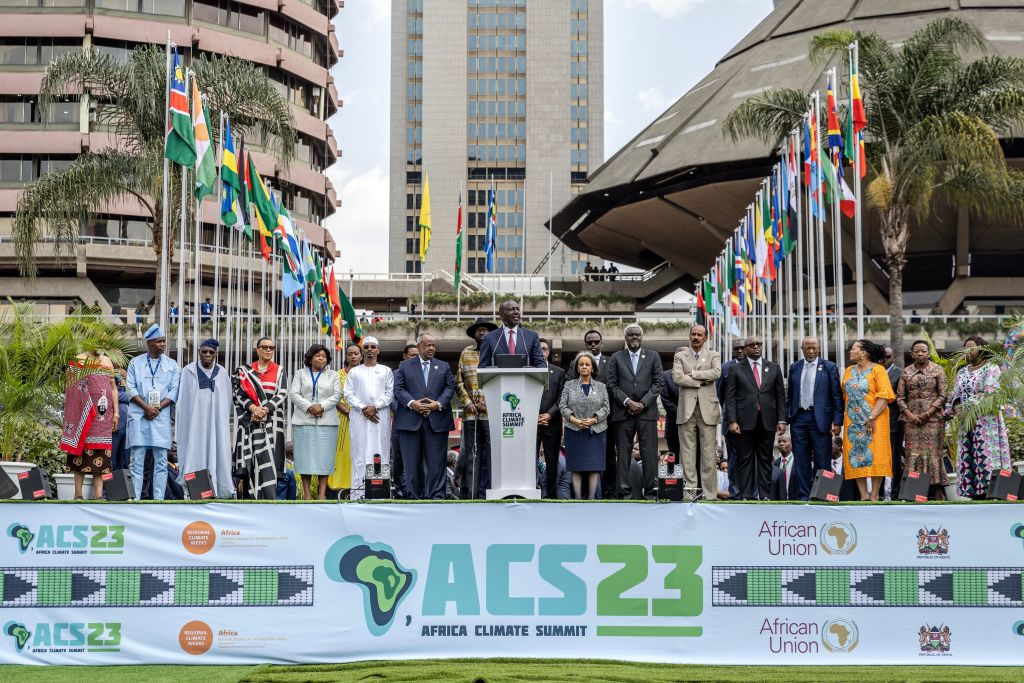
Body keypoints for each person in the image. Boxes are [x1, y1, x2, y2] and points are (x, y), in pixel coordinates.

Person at [945, 336, 1011, 499]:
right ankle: (974, 493)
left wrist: (966, 409)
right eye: (965, 348)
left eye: (971, 348)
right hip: (965, 423)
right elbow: (955, 394)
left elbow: (989, 393)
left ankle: (992, 492)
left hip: (986, 423)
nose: (967, 352)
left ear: (981, 349)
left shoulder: (991, 368)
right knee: (969, 456)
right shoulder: (962, 371)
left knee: (987, 456)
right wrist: (956, 408)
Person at [394, 333, 456, 499]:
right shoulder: (405, 366)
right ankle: (413, 496)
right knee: (411, 463)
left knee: (437, 462)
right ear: (419, 346)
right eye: (428, 345)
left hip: (437, 421)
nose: (431, 348)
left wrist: (438, 404)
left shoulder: (443, 366)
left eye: (433, 345)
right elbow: (398, 389)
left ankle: (437, 495)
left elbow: (450, 388)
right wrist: (412, 403)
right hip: (409, 421)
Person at [724, 336, 786, 500]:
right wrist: (732, 421)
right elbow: (729, 397)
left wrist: (781, 420)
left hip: (767, 421)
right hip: (744, 422)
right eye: (752, 345)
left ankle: (765, 495)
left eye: (759, 344)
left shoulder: (773, 368)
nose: (756, 347)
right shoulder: (736, 369)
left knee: (766, 460)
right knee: (745, 459)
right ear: (745, 349)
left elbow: (780, 396)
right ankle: (745, 494)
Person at [606, 324, 664, 499]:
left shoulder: (653, 356)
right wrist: (628, 402)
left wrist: (643, 404)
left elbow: (658, 384)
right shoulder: (616, 358)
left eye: (637, 335)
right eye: (631, 335)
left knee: (649, 454)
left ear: (641, 337)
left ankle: (651, 493)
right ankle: (623, 493)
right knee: (623, 455)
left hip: (647, 414)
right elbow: (611, 384)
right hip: (623, 414)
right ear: (626, 338)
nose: (634, 337)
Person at [125, 324, 179, 500]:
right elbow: (130, 388)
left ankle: (158, 501)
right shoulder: (135, 362)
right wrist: (146, 407)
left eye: (164, 341)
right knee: (137, 462)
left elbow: (174, 391)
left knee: (161, 463)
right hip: (140, 415)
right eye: (159, 341)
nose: (163, 344)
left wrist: (157, 407)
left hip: (160, 417)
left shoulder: (172, 365)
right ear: (149, 343)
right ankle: (135, 500)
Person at [786, 336, 843, 501]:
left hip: (821, 419)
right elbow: (790, 395)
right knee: (801, 460)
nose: (811, 351)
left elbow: (836, 396)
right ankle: (804, 495)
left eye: (814, 348)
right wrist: (786, 417)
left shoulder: (829, 367)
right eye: (807, 348)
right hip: (799, 418)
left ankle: (823, 494)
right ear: (802, 349)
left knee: (822, 458)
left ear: (819, 349)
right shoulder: (794, 368)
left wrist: (837, 421)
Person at [176, 338, 233, 498]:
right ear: (199, 352)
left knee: (218, 451)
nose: (207, 355)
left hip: (216, 425)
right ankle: (196, 491)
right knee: (194, 452)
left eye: (211, 352)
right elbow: (182, 401)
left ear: (216, 354)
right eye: (204, 352)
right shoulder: (188, 371)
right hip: (194, 425)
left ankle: (218, 490)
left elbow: (227, 401)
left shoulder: (222, 373)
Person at [232, 337, 288, 499]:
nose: (268, 350)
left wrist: (264, 410)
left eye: (271, 348)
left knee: (268, 461)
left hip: (271, 423)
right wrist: (253, 409)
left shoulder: (279, 370)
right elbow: (238, 394)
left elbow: (282, 393)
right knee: (250, 463)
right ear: (257, 350)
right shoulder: (245, 371)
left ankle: (269, 500)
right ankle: (249, 500)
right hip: (250, 422)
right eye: (264, 347)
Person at [841, 339, 895, 501]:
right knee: (856, 453)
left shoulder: (878, 370)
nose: (851, 351)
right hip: (853, 420)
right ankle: (864, 495)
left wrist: (871, 417)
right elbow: (845, 395)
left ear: (863, 352)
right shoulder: (849, 370)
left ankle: (875, 495)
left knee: (876, 454)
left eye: (854, 349)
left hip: (875, 419)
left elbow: (884, 396)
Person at [672, 324, 721, 498]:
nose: (696, 337)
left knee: (708, 457)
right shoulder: (680, 356)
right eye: (693, 334)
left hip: (708, 410)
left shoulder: (714, 355)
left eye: (700, 335)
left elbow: (716, 373)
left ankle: (710, 496)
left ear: (706, 337)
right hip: (686, 411)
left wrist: (692, 374)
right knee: (687, 456)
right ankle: (688, 495)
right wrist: (701, 380)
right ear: (689, 336)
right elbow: (677, 377)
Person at [896, 340, 949, 499]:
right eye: (917, 351)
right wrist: (910, 415)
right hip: (911, 422)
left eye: (923, 351)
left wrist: (928, 413)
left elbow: (943, 395)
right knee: (913, 454)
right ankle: (915, 491)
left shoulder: (938, 370)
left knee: (933, 453)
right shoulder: (906, 372)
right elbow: (899, 398)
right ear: (911, 353)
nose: (920, 354)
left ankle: (937, 490)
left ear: (928, 353)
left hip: (933, 420)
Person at [288, 344, 342, 500]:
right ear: (310, 358)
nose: (321, 358)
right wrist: (310, 407)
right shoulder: (300, 373)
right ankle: (306, 495)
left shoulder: (333, 375)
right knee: (305, 459)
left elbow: (337, 394)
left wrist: (322, 406)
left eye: (324, 356)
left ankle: (321, 495)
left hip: (327, 423)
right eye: (318, 355)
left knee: (324, 459)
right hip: (303, 421)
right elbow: (294, 394)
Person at [61, 352, 118, 499]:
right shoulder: (79, 359)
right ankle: (78, 495)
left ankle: (98, 496)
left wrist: (116, 413)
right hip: (83, 414)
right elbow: (72, 388)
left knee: (101, 457)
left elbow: (113, 388)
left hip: (103, 417)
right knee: (80, 453)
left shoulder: (107, 360)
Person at [344, 336, 395, 499]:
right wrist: (364, 408)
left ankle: (380, 493)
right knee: (359, 453)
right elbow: (348, 394)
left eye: (373, 346)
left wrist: (375, 407)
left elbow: (389, 394)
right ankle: (358, 494)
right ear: (363, 350)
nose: (370, 349)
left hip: (380, 418)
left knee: (380, 452)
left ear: (378, 350)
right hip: (359, 418)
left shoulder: (386, 370)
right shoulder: (354, 371)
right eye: (366, 347)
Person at [569, 329, 616, 496]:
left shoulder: (611, 362)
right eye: (590, 342)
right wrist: (577, 419)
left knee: (606, 458)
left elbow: (613, 388)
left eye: (596, 342)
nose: (593, 345)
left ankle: (608, 493)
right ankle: (581, 496)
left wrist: (597, 417)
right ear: (585, 344)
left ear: (601, 343)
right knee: (581, 462)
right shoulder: (574, 364)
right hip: (578, 424)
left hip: (605, 420)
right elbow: (568, 393)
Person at [559, 351, 610, 499]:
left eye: (587, 364)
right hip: (574, 430)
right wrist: (575, 420)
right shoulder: (569, 385)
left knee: (594, 467)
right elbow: (563, 406)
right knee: (576, 467)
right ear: (577, 368)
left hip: (596, 431)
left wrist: (593, 419)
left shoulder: (601, 386)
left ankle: (592, 498)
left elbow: (606, 408)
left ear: (593, 368)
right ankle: (578, 499)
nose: (584, 367)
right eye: (581, 364)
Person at [456, 318, 496, 498]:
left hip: (492, 414)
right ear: (473, 334)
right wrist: (468, 402)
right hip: (471, 414)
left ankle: (487, 494)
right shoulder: (466, 353)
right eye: (478, 330)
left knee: (491, 454)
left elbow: (500, 381)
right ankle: (472, 494)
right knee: (472, 454)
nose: (481, 333)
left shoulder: (497, 353)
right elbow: (458, 381)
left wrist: (489, 399)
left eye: (485, 330)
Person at [327, 344, 362, 497]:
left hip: (364, 419)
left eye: (356, 353)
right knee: (342, 455)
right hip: (342, 420)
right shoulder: (337, 375)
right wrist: (350, 413)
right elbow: (335, 398)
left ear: (361, 355)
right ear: (346, 357)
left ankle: (360, 488)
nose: (353, 356)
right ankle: (339, 490)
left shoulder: (367, 373)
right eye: (350, 354)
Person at [477, 300, 545, 368]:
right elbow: (483, 367)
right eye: (511, 309)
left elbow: (540, 364)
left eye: (518, 309)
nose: (516, 312)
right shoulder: (489, 338)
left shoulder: (531, 336)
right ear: (501, 315)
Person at [390, 343, 420, 498]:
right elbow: (392, 398)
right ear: (405, 356)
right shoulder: (396, 373)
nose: (415, 357)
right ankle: (398, 488)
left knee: (415, 457)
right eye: (412, 355)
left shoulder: (422, 373)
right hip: (400, 422)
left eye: (417, 355)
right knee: (399, 457)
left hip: (419, 422)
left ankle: (412, 489)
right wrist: (407, 411)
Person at [538, 337, 566, 499]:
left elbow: (562, 398)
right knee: (529, 461)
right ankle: (533, 491)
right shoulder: (526, 370)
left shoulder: (559, 372)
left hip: (552, 423)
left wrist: (549, 414)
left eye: (544, 349)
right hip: (531, 423)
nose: (542, 352)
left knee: (552, 460)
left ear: (548, 352)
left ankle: (551, 494)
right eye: (539, 348)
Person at [717, 339, 746, 496]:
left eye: (742, 348)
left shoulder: (754, 367)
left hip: (751, 421)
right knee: (733, 458)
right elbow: (720, 394)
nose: (740, 351)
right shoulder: (725, 368)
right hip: (730, 421)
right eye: (737, 349)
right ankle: (734, 491)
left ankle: (749, 491)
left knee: (749, 458)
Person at [884, 346, 905, 499]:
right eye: (882, 356)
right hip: (877, 423)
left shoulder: (899, 373)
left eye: (888, 356)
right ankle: (878, 492)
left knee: (894, 460)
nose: (884, 359)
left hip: (893, 424)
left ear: (894, 357)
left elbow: (901, 397)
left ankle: (895, 492)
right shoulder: (874, 371)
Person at [110, 367, 131, 471]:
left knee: (124, 461)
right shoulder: (107, 370)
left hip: (128, 425)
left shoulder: (126, 373)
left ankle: (122, 487)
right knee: (110, 459)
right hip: (114, 422)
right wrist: (130, 397)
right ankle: (107, 487)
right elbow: (109, 393)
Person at [660, 364, 680, 459]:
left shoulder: (696, 373)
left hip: (694, 425)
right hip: (674, 424)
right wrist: (683, 414)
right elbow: (665, 399)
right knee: (675, 458)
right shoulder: (666, 376)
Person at [770, 434, 795, 501]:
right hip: (779, 502)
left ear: (791, 444)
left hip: (795, 501)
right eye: (779, 442)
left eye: (784, 441)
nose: (781, 444)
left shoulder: (798, 463)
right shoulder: (775, 464)